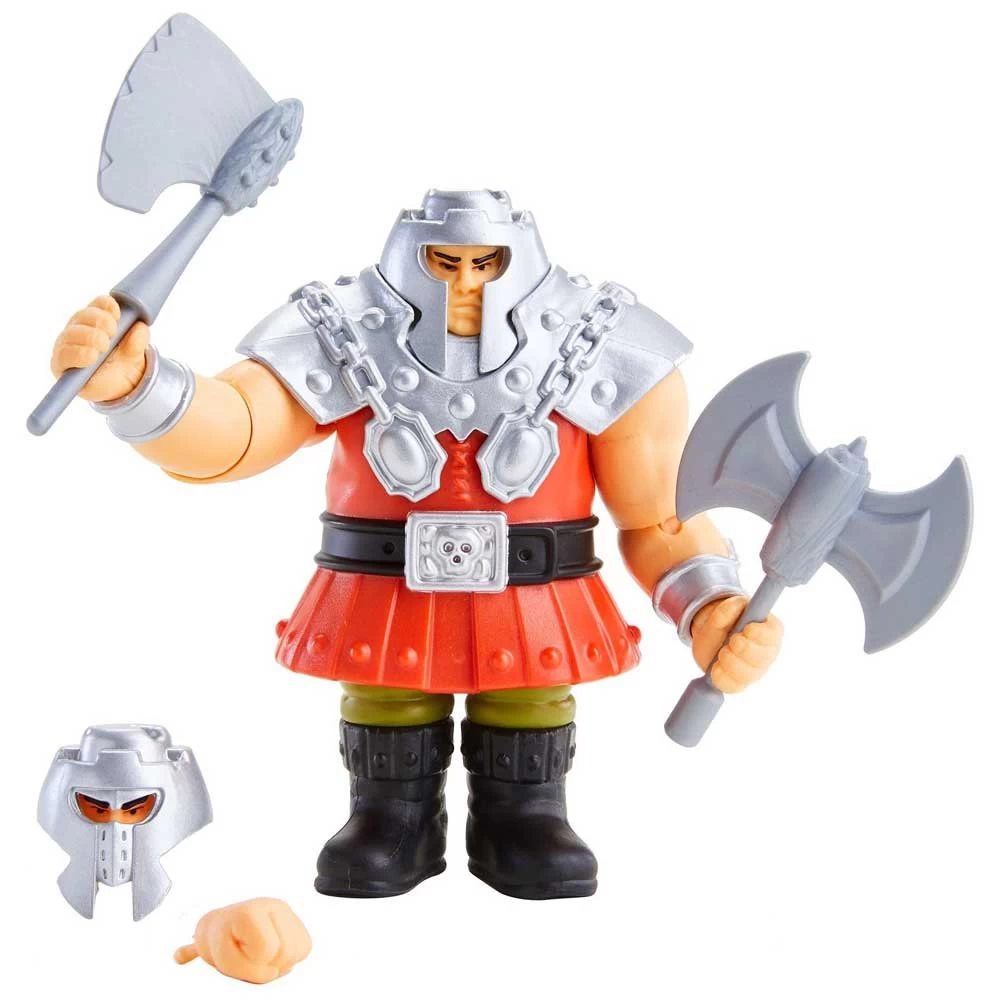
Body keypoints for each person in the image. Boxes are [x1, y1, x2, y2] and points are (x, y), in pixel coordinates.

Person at [50, 189, 782, 901]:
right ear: (410, 258)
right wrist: (138, 387)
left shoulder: (602, 342)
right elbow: (240, 428)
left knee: (528, 699)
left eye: (486, 264)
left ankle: (527, 820)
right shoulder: (339, 328)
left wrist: (709, 605)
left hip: (532, 593)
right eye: (445, 263)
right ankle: (390, 820)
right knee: (386, 700)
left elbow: (658, 519)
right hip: (384, 588)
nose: (465, 285)